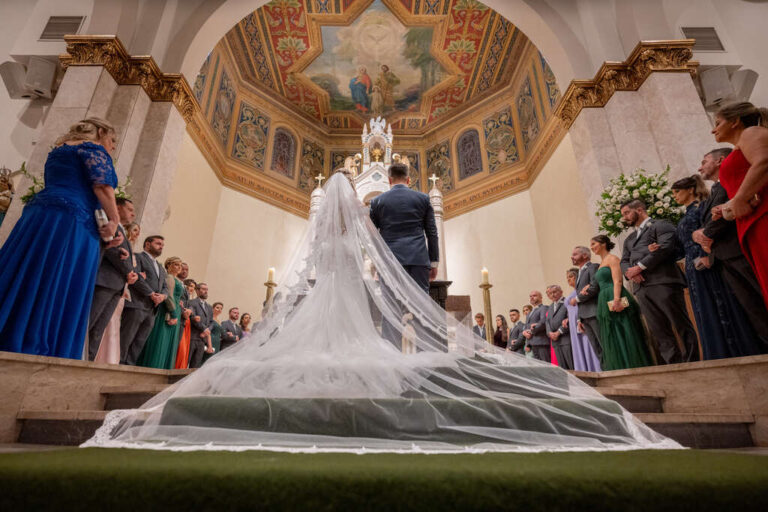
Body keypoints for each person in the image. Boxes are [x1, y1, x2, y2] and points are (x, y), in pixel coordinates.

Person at [0, 118, 121, 358]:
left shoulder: (57, 152)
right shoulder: (92, 149)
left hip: (40, 215)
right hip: (71, 223)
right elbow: (102, 186)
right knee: (58, 277)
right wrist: (114, 222)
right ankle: (40, 343)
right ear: (100, 131)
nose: (114, 146)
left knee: (27, 271)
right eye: (113, 140)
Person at [669, 175, 763, 359]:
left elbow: (709, 232)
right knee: (702, 308)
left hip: (705, 261)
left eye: (677, 192)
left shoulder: (702, 208)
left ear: (690, 190)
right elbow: (682, 245)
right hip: (690, 263)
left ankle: (730, 347)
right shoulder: (685, 215)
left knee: (717, 302)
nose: (675, 196)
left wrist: (705, 255)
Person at [693, 148, 768, 345]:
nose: (700, 166)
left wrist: (706, 234)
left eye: (704, 161)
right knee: (750, 305)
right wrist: (700, 234)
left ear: (720, 161)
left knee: (760, 296)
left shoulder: (729, 183)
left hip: (739, 250)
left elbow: (723, 217)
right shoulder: (715, 191)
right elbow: (709, 219)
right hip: (723, 255)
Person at [620, 199, 699, 364]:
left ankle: (693, 361)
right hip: (641, 287)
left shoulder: (661, 225)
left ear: (640, 209)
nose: (624, 217)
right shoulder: (630, 239)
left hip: (664, 281)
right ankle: (673, 363)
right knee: (658, 329)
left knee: (680, 323)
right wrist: (630, 273)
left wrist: (640, 266)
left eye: (627, 213)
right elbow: (624, 261)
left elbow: (665, 247)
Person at [370, 162, 439, 349]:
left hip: (390, 262)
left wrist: (376, 263)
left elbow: (372, 236)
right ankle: (425, 354)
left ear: (389, 179)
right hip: (418, 260)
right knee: (421, 308)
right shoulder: (423, 199)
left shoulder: (377, 202)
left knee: (390, 308)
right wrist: (433, 263)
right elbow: (432, 233)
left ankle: (392, 356)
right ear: (409, 179)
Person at [709, 102, 768, 310]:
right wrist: (728, 204)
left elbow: (764, 162)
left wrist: (740, 198)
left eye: (717, 123)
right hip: (750, 221)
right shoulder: (739, 147)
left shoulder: (751, 132)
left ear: (735, 121)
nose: (713, 129)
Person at [87, 198, 138, 360]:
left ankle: (87, 361)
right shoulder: (110, 224)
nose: (133, 213)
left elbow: (125, 256)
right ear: (117, 207)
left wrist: (131, 273)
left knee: (98, 329)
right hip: (104, 281)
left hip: (117, 285)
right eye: (129, 208)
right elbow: (111, 250)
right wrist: (129, 271)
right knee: (89, 322)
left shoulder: (122, 231)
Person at [591, 235, 651, 370]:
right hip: (604, 298)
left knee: (624, 328)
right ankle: (621, 364)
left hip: (614, 295)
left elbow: (618, 280)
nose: (592, 247)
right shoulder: (601, 263)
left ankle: (632, 364)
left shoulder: (613, 259)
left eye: (594, 244)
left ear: (603, 244)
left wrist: (616, 299)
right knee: (613, 331)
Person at [120, 235, 168, 365]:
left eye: (162, 245)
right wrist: (151, 294)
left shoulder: (160, 267)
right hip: (137, 304)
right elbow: (137, 278)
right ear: (147, 244)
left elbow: (165, 287)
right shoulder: (138, 257)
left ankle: (129, 365)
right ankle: (119, 364)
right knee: (126, 337)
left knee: (140, 340)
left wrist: (163, 296)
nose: (161, 247)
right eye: (158, 243)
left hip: (152, 309)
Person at [137, 257, 185, 369]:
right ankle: (155, 366)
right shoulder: (169, 277)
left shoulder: (177, 280)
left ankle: (164, 367)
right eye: (176, 265)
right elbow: (169, 296)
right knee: (161, 341)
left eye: (180, 265)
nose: (179, 268)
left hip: (176, 309)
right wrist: (173, 313)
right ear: (169, 265)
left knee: (169, 343)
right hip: (168, 311)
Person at [568, 246, 602, 362]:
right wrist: (579, 319)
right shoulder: (579, 273)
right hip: (584, 316)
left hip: (593, 312)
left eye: (575, 254)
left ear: (585, 255)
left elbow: (594, 287)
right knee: (596, 348)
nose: (572, 257)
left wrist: (576, 299)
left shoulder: (593, 267)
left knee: (603, 344)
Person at [565, 268, 601, 371]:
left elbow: (580, 305)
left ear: (578, 277)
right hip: (577, 322)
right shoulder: (574, 291)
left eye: (571, 277)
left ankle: (596, 367)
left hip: (585, 318)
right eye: (567, 278)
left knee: (590, 345)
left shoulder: (581, 290)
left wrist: (578, 320)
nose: (568, 280)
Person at [545, 285, 573, 370]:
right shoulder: (550, 307)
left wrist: (558, 332)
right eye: (550, 293)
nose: (552, 295)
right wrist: (550, 333)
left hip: (565, 338)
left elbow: (570, 318)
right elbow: (547, 322)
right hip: (555, 341)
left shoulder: (566, 302)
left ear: (561, 292)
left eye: (554, 292)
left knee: (571, 365)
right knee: (562, 368)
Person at [516, 291, 549, 362]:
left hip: (541, 342)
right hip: (532, 343)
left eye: (534, 295)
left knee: (546, 365)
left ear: (541, 297)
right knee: (538, 367)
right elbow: (527, 326)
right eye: (530, 296)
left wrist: (530, 331)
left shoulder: (544, 308)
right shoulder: (530, 313)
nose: (532, 297)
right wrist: (524, 332)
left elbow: (543, 322)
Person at [188, 283, 214, 369]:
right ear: (197, 290)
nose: (205, 291)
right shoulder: (192, 302)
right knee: (187, 361)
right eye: (203, 289)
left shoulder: (209, 307)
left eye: (207, 289)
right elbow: (193, 317)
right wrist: (204, 329)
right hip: (193, 337)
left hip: (203, 340)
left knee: (196, 365)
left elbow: (211, 322)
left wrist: (207, 331)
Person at [174, 278, 196, 369]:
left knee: (184, 350)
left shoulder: (190, 299)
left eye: (193, 287)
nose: (192, 289)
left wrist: (190, 311)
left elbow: (191, 307)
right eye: (190, 286)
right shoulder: (182, 293)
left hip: (187, 325)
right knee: (180, 348)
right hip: (181, 320)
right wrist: (184, 310)